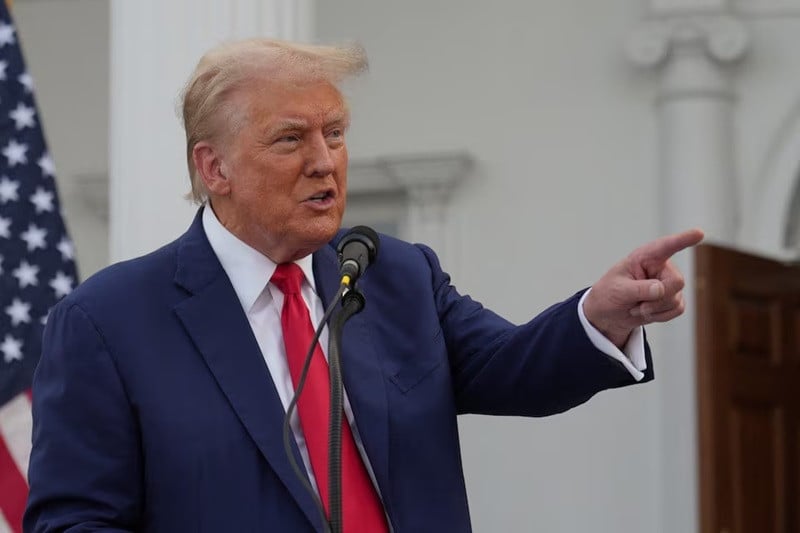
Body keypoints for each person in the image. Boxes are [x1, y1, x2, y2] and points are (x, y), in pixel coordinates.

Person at [24, 39, 703, 533]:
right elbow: (76, 522)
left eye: (336, 133)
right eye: (291, 139)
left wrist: (600, 313)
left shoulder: (395, 275)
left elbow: (515, 367)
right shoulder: (108, 322)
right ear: (215, 167)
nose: (325, 161)